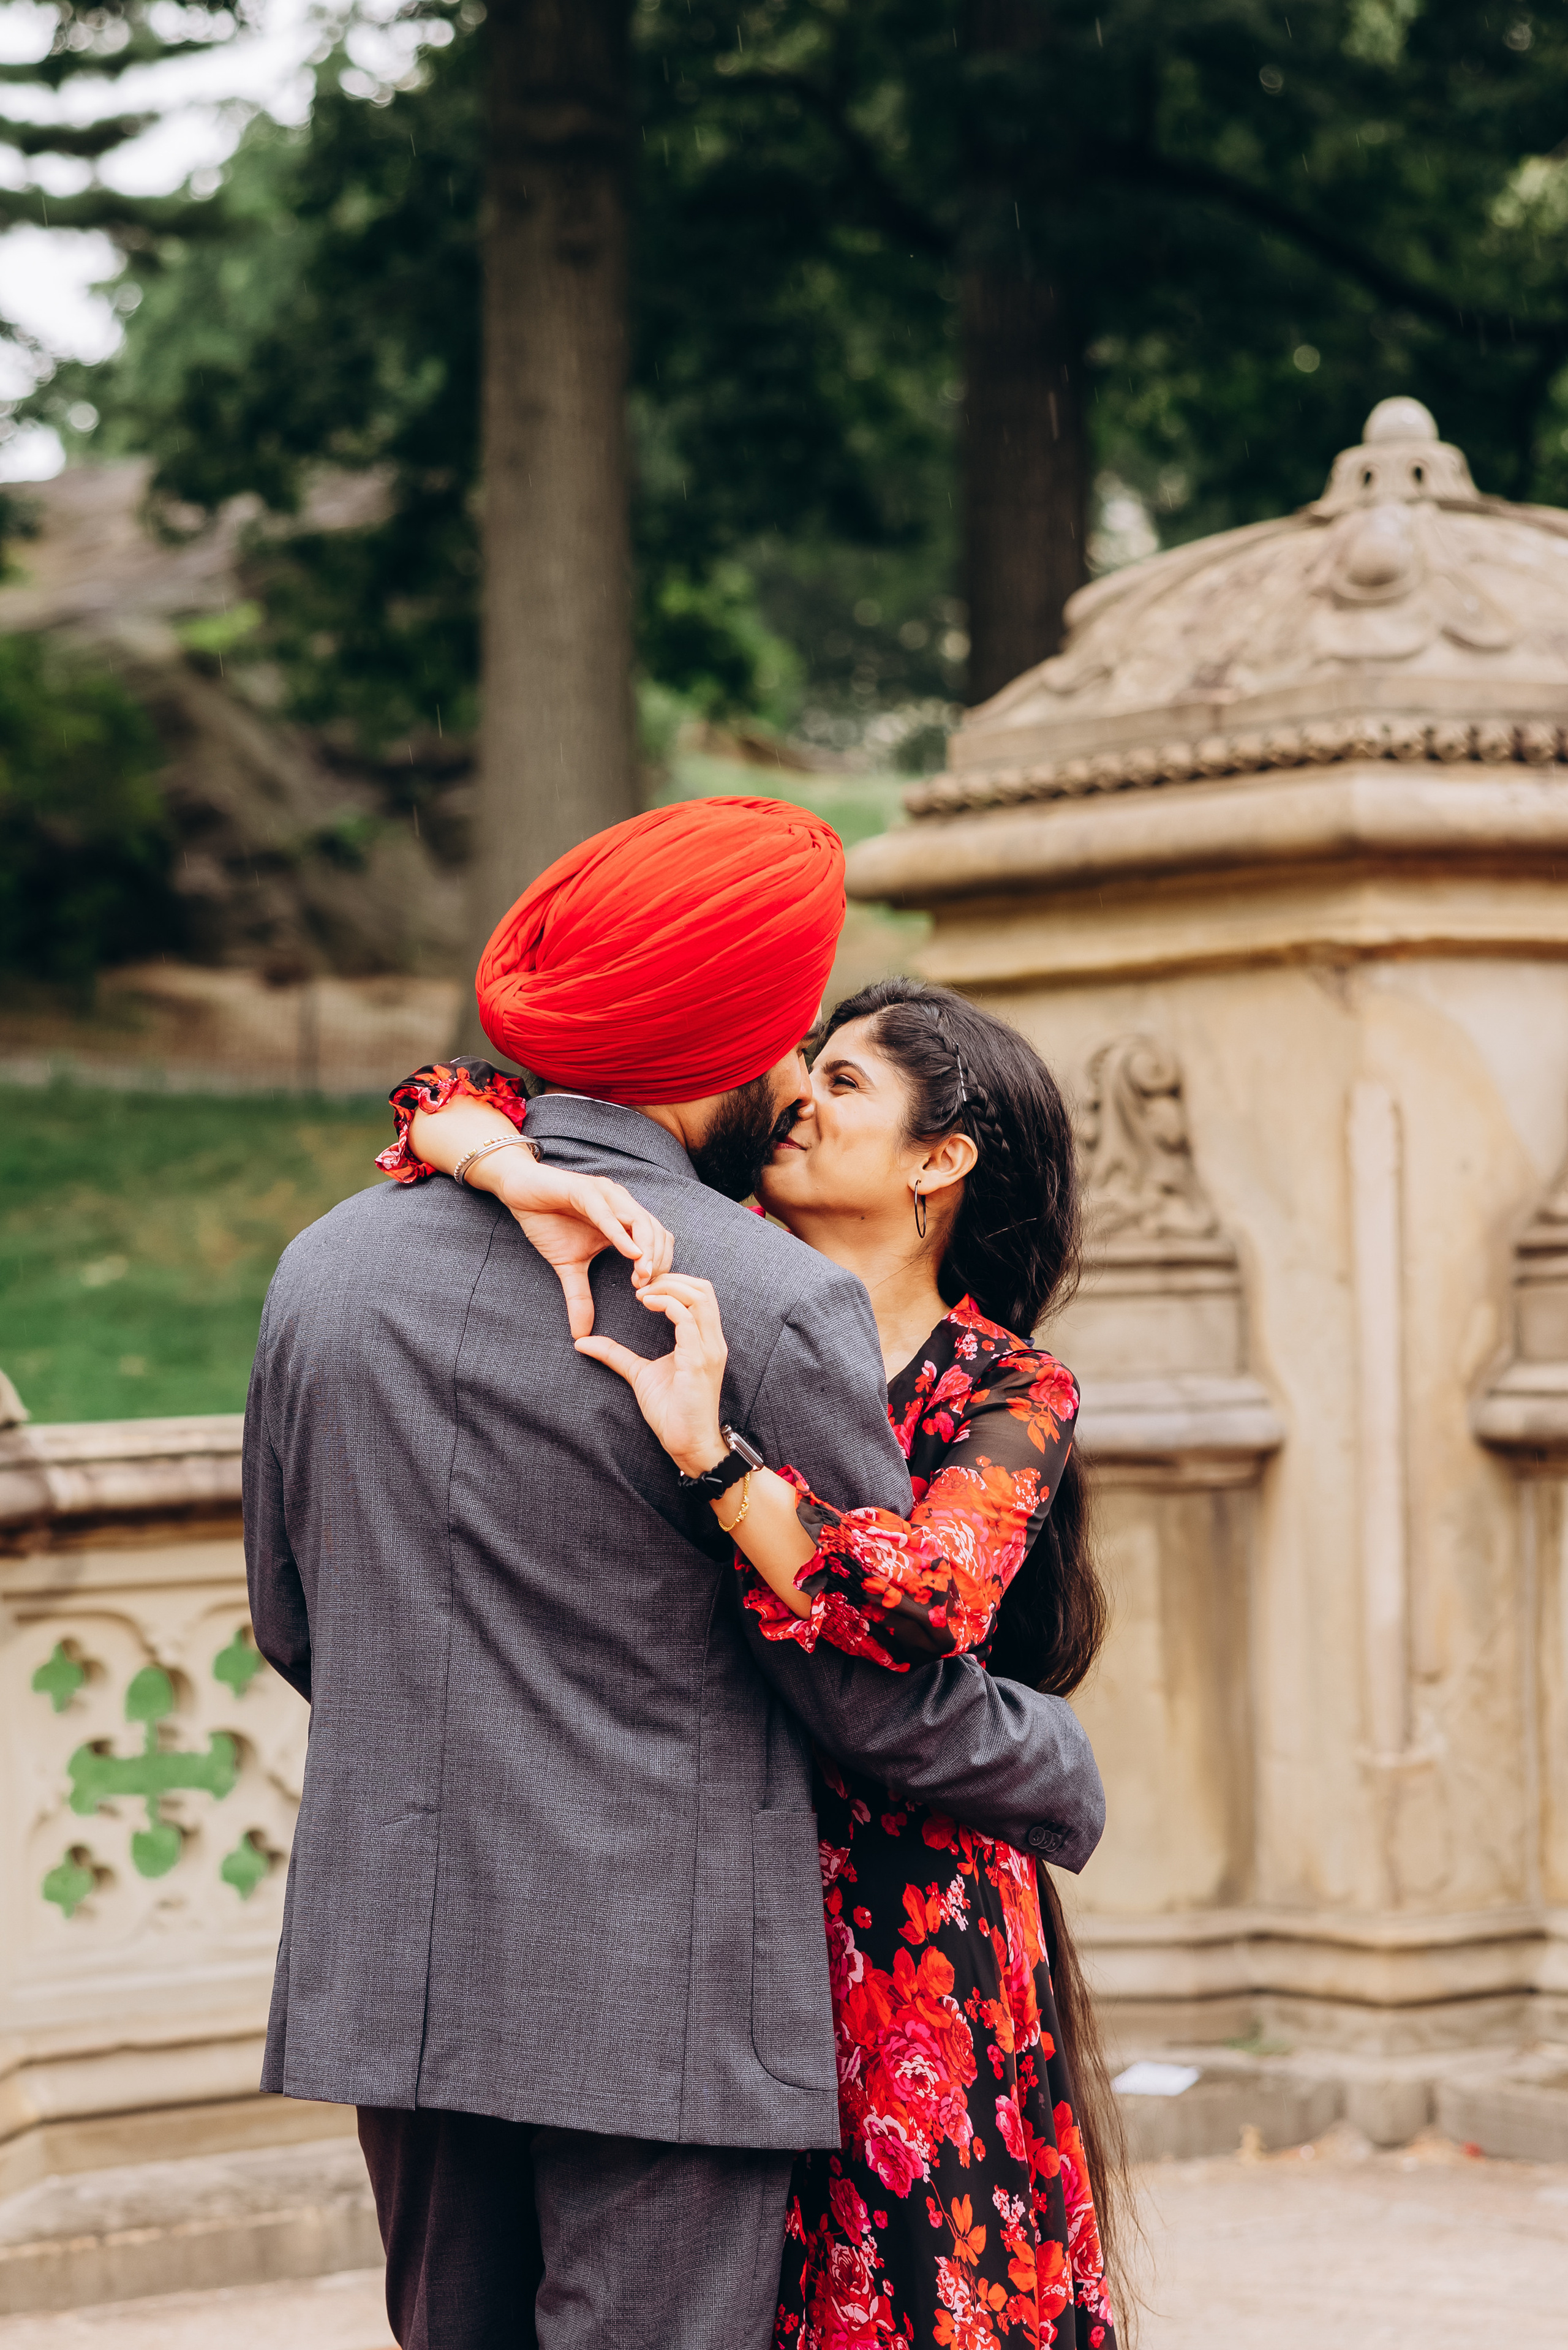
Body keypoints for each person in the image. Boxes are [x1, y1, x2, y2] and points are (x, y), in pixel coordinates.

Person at [243, 797, 1107, 2350]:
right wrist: (1056, 1759)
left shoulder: (324, 1265)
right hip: (664, 1985)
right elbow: (864, 1693)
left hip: (400, 1964)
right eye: (797, 1040)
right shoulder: (763, 1297)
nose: (798, 1080)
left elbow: (295, 1618)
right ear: (739, 1036)